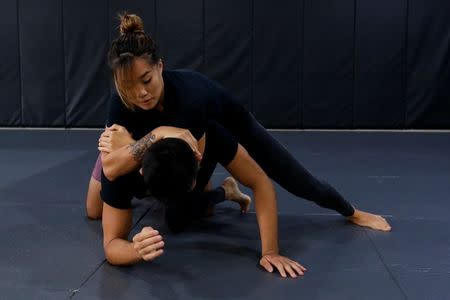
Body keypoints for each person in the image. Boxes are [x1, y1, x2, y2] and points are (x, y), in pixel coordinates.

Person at [87, 13, 391, 278]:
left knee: (287, 176)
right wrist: (157, 134)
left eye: (147, 80)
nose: (140, 94)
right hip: (141, 152)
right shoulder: (121, 104)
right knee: (93, 210)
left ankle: (350, 210)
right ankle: (201, 184)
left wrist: (270, 250)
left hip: (189, 148)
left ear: (161, 67)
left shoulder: (193, 100)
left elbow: (263, 175)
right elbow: (113, 169)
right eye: (129, 87)